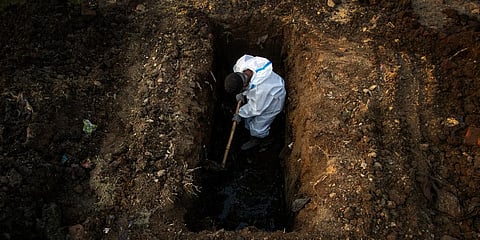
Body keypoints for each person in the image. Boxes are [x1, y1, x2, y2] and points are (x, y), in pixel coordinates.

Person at [224, 54, 286, 150]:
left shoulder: (261, 90)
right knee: (249, 118)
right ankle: (250, 128)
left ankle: (262, 139)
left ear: (244, 85)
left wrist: (240, 113)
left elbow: (257, 109)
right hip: (261, 96)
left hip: (273, 99)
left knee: (258, 128)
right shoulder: (242, 65)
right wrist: (243, 94)